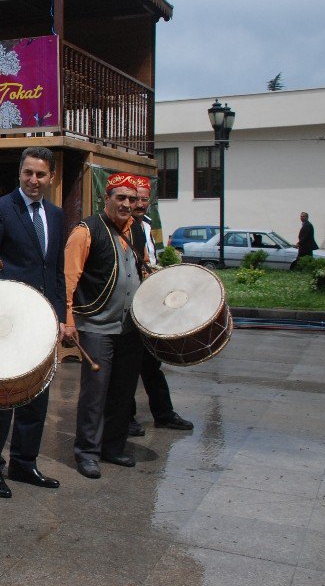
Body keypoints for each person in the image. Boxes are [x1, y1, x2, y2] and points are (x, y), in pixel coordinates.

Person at [0, 147, 65, 499]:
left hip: (42, 320)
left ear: (51, 177)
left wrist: (60, 315)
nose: (33, 180)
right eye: (28, 172)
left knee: (37, 393)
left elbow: (55, 270)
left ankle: (25, 462)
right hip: (8, 320)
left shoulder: (55, 215)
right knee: (4, 394)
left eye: (40, 174)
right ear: (19, 173)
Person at [64, 172, 144, 480]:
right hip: (96, 325)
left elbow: (143, 270)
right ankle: (87, 452)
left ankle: (113, 446)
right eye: (120, 198)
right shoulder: (86, 231)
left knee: (123, 391)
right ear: (106, 198)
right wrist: (69, 322)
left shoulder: (135, 230)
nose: (126, 204)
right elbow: (68, 281)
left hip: (130, 327)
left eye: (131, 199)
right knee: (94, 393)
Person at [126, 175, 193, 437]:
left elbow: (150, 259)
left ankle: (164, 414)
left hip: (150, 304)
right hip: (132, 304)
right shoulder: (125, 227)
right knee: (130, 365)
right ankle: (126, 416)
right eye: (136, 198)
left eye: (144, 199)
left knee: (151, 363)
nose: (140, 203)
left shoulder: (147, 225)